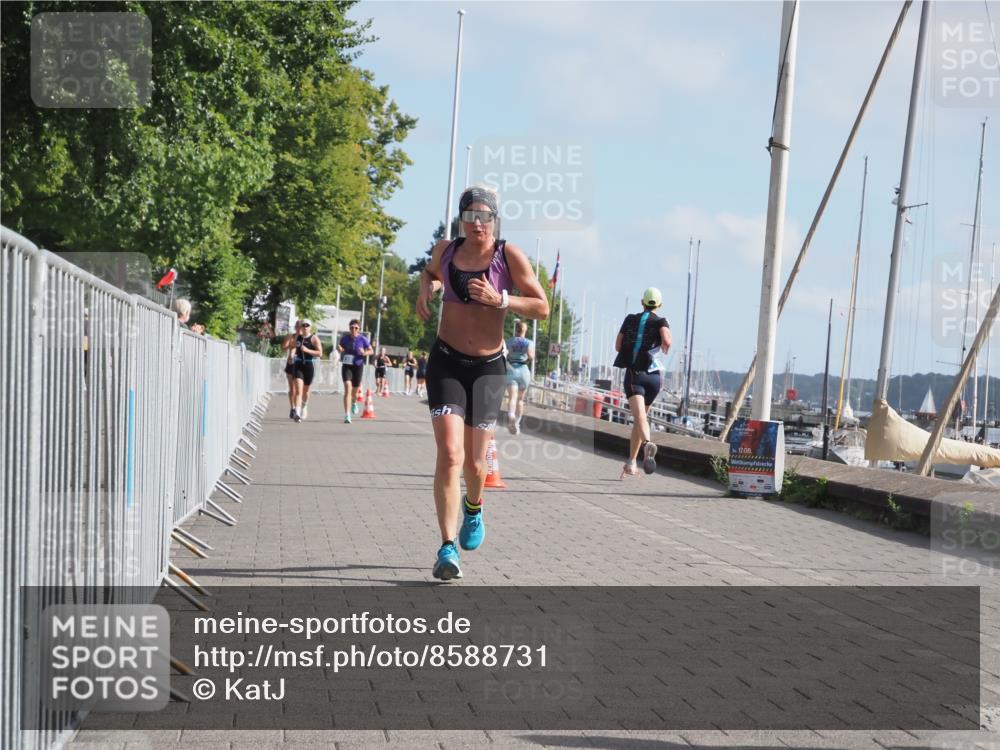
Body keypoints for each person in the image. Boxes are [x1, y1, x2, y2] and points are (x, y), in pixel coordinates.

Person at [416, 184, 549, 580]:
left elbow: (542, 306)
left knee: (476, 462)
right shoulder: (446, 250)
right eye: (470, 216)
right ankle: (446, 546)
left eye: (485, 216)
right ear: (462, 219)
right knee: (450, 453)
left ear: (495, 219)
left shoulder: (508, 256)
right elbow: (430, 272)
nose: (478, 224)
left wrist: (501, 300)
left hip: (488, 369)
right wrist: (426, 288)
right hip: (446, 362)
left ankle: (473, 508)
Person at [613, 287, 671, 478]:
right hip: (654, 378)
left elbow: (618, 346)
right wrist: (664, 346)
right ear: (659, 305)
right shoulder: (662, 321)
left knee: (640, 419)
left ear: (642, 302)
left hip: (635, 375)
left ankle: (647, 444)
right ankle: (631, 462)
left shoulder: (630, 319)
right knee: (641, 419)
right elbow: (666, 340)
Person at [337, 319, 372, 424]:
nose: (353, 329)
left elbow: (371, 351)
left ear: (359, 329)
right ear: (349, 328)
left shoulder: (363, 339)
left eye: (356, 328)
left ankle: (354, 402)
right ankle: (347, 415)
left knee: (355, 391)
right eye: (352, 327)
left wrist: (364, 353)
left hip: (358, 365)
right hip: (347, 365)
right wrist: (339, 348)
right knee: (348, 388)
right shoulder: (345, 338)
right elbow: (340, 346)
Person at [504, 320, 534, 435]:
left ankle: (511, 414)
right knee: (520, 400)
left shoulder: (508, 341)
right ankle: (517, 423)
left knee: (512, 396)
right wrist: (526, 356)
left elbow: (504, 353)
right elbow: (531, 356)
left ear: (516, 329)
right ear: (525, 330)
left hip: (511, 370)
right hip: (523, 371)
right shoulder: (529, 342)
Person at [292, 319, 322, 422]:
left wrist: (307, 350)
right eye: (303, 325)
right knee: (298, 390)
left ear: (310, 327)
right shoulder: (298, 337)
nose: (305, 327)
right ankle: (297, 413)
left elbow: (320, 353)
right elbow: (293, 347)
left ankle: (304, 406)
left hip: (309, 365)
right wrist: (292, 355)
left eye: (307, 325)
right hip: (298, 364)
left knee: (306, 390)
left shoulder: (314, 338)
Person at [281, 320, 302, 419]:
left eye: (301, 326)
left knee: (299, 389)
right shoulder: (291, 336)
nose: (299, 328)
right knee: (292, 388)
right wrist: (291, 344)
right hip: (291, 363)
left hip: (301, 364)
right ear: (295, 327)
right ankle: (292, 408)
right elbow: (283, 347)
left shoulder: (305, 338)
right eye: (297, 326)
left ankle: (299, 408)